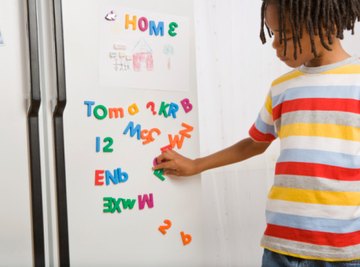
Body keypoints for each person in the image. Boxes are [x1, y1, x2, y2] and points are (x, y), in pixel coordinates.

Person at [153, 0, 360, 266]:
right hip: (280, 247)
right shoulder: (282, 87)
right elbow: (254, 143)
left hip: (342, 252)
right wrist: (195, 165)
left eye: (284, 36)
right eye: (273, 35)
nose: (274, 46)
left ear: (325, 24)